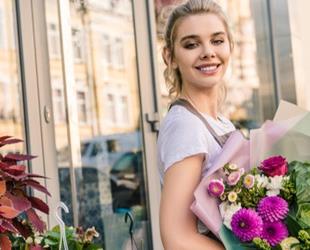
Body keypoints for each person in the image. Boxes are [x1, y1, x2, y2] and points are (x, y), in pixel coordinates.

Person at [157, 0, 236, 249]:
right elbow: (177, 238)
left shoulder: (221, 122)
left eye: (217, 40)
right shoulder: (186, 126)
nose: (208, 52)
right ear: (170, 57)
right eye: (191, 44)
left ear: (230, 47)